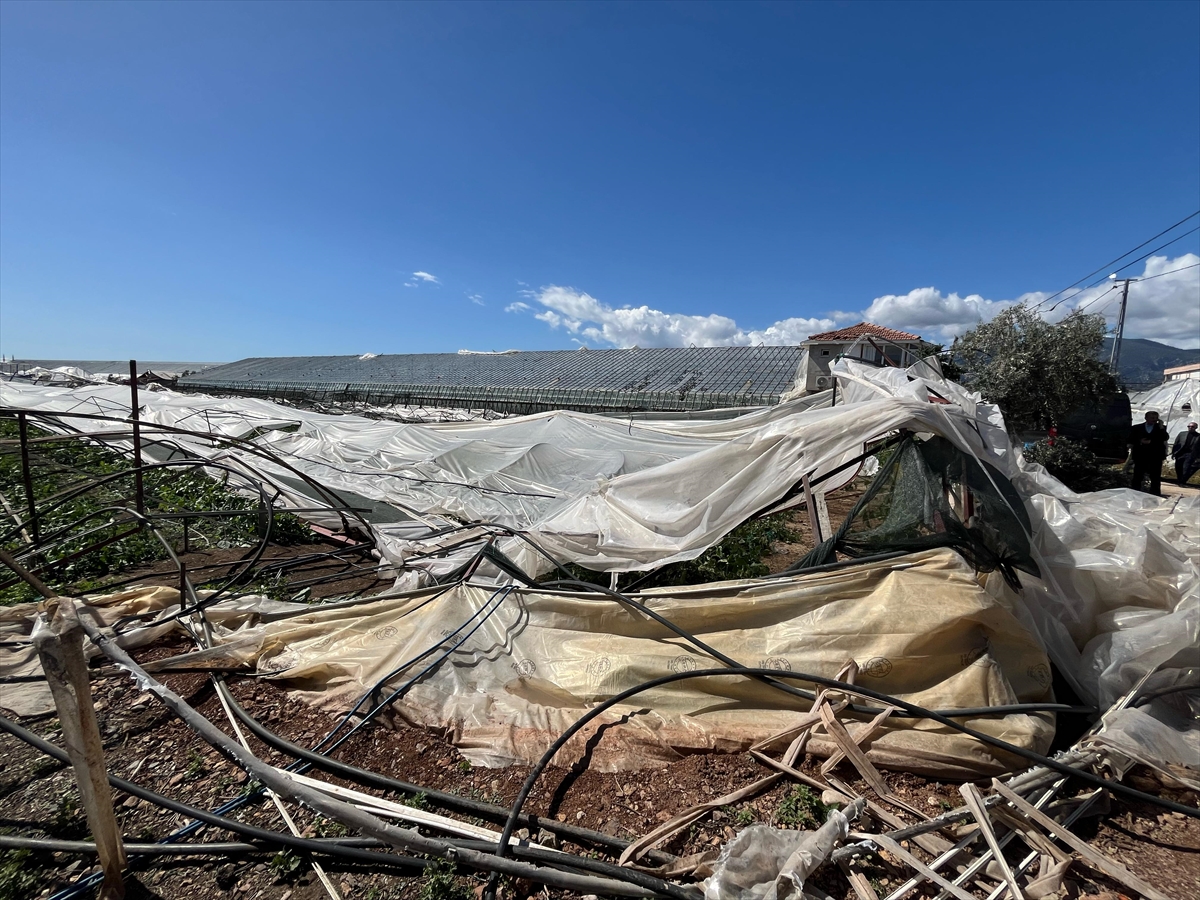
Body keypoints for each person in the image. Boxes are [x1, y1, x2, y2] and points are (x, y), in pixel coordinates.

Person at [1128, 411, 1169, 495]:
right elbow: (1130, 439)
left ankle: (1155, 494)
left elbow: (1165, 438)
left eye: (1156, 418)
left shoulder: (1161, 428)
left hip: (1155, 456)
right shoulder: (1137, 428)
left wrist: (1161, 427)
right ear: (1146, 418)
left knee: (1155, 477)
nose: (1154, 420)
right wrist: (1140, 441)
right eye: (1152, 418)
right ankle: (1134, 493)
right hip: (1140, 456)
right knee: (1138, 476)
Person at [1172, 421, 1199, 485]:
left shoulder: (1198, 436)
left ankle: (1182, 482)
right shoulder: (1182, 434)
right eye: (1189, 426)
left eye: (1192, 427)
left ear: (1196, 427)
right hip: (1180, 453)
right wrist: (1174, 453)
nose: (1190, 428)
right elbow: (1176, 443)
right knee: (1178, 467)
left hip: (1190, 454)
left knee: (1186, 468)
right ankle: (1179, 480)